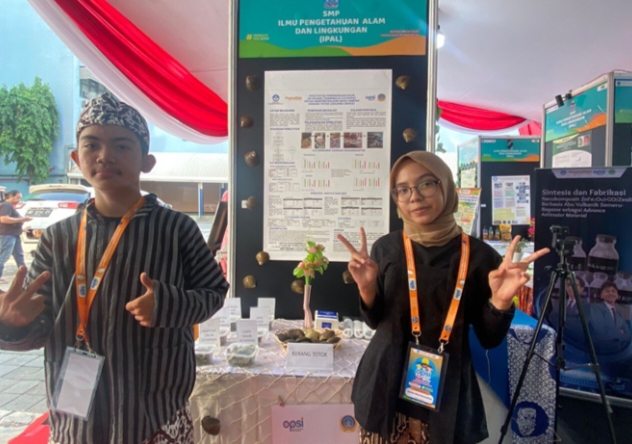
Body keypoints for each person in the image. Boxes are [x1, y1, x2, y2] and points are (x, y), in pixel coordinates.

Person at [0, 93, 229, 444]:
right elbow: (40, 328)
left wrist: (167, 304)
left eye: (121, 146)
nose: (105, 156)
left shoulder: (176, 229)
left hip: (155, 409)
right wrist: (13, 324)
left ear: (147, 162)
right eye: (92, 145)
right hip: (76, 418)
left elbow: (213, 292)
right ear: (76, 159)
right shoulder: (57, 238)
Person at [337, 151, 549, 444]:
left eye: (426, 184)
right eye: (403, 190)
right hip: (385, 384)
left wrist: (500, 302)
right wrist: (366, 289)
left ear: (446, 187)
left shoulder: (480, 257)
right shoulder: (386, 248)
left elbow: (489, 338)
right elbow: (376, 322)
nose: (414, 197)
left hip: (448, 390)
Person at [588, 281, 631, 354]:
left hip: (617, 352)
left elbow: (628, 334)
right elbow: (600, 332)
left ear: (617, 296)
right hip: (600, 351)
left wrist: (612, 333)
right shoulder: (596, 308)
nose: (611, 293)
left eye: (613, 291)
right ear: (601, 295)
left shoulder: (619, 314)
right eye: (607, 291)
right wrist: (619, 332)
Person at [0, 190, 31, 284]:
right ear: (11, 196)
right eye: (17, 198)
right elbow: (4, 219)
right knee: (3, 257)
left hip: (14, 234)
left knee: (19, 256)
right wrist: (22, 219)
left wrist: (21, 229)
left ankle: (26, 276)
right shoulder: (6, 205)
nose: (19, 200)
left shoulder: (10, 206)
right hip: (7, 235)